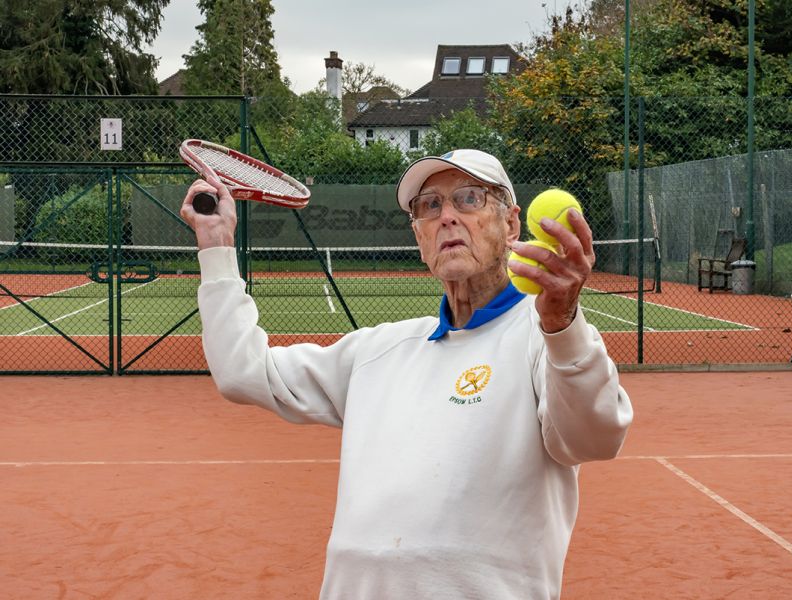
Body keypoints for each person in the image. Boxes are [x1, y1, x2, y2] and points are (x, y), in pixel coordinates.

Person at [181, 148, 633, 600]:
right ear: (419, 237)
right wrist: (217, 244)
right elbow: (242, 371)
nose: (447, 217)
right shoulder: (378, 351)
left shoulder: (548, 338)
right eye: (429, 206)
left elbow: (593, 437)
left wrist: (563, 323)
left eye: (469, 198)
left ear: (511, 224)